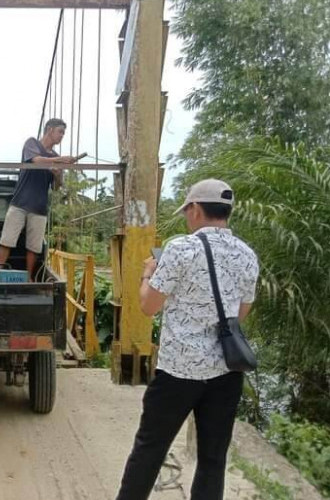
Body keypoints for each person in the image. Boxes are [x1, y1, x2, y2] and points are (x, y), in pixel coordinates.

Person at [116, 179, 260, 500]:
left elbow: (149, 306)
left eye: (187, 210)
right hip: (226, 372)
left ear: (195, 209)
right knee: (212, 459)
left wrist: (147, 274)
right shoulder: (247, 255)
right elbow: (241, 313)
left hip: (178, 374)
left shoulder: (181, 248)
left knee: (150, 450)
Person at [0, 118, 75, 278]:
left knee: (34, 246)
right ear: (50, 129)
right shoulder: (32, 144)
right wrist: (58, 160)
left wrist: (58, 175)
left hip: (39, 208)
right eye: (60, 132)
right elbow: (36, 160)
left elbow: (56, 187)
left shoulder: (56, 157)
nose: (62, 136)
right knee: (7, 239)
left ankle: (29, 278)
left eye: (63, 133)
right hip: (20, 203)